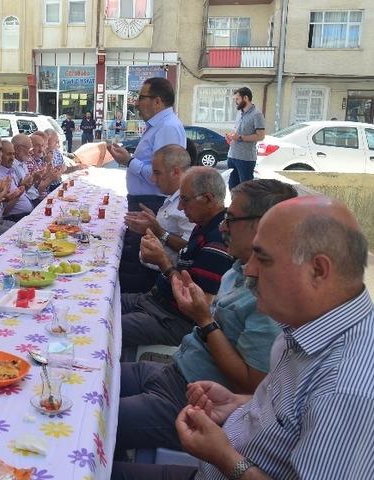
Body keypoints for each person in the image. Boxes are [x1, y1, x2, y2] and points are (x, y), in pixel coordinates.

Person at [114, 195, 373, 480]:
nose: (249, 270)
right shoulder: (308, 328)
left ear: (318, 270)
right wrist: (239, 403)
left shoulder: (346, 388)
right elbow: (290, 413)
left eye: (263, 259)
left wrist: (225, 458)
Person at [113, 179, 295, 461]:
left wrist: (204, 320)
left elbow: (251, 384)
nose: (223, 226)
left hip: (191, 402)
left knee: (89, 415)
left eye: (231, 219)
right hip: (174, 372)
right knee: (88, 375)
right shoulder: (238, 268)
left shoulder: (271, 297)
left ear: (262, 226)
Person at [121, 167, 234, 348]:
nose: (181, 207)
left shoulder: (218, 241)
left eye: (184, 199)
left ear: (207, 199)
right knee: (96, 307)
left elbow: (195, 307)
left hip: (172, 320)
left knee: (102, 328)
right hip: (155, 302)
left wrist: (163, 261)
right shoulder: (204, 224)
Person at [120, 145, 194, 293]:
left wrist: (157, 230)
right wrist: (152, 222)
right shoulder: (172, 197)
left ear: (176, 172)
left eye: (157, 173)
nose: (153, 179)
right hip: (148, 269)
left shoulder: (189, 203)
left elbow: (188, 248)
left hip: (159, 279)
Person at [108, 78, 186, 214]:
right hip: (146, 201)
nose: (136, 104)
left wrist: (128, 161)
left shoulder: (168, 127)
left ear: (157, 101)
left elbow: (164, 176)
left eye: (141, 98)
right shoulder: (159, 125)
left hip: (152, 203)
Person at [224, 87, 266, 189]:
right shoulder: (239, 113)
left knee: (245, 190)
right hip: (232, 155)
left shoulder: (257, 114)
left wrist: (240, 138)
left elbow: (261, 136)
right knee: (232, 188)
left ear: (246, 98)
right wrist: (231, 138)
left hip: (245, 158)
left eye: (237, 99)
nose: (236, 102)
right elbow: (238, 132)